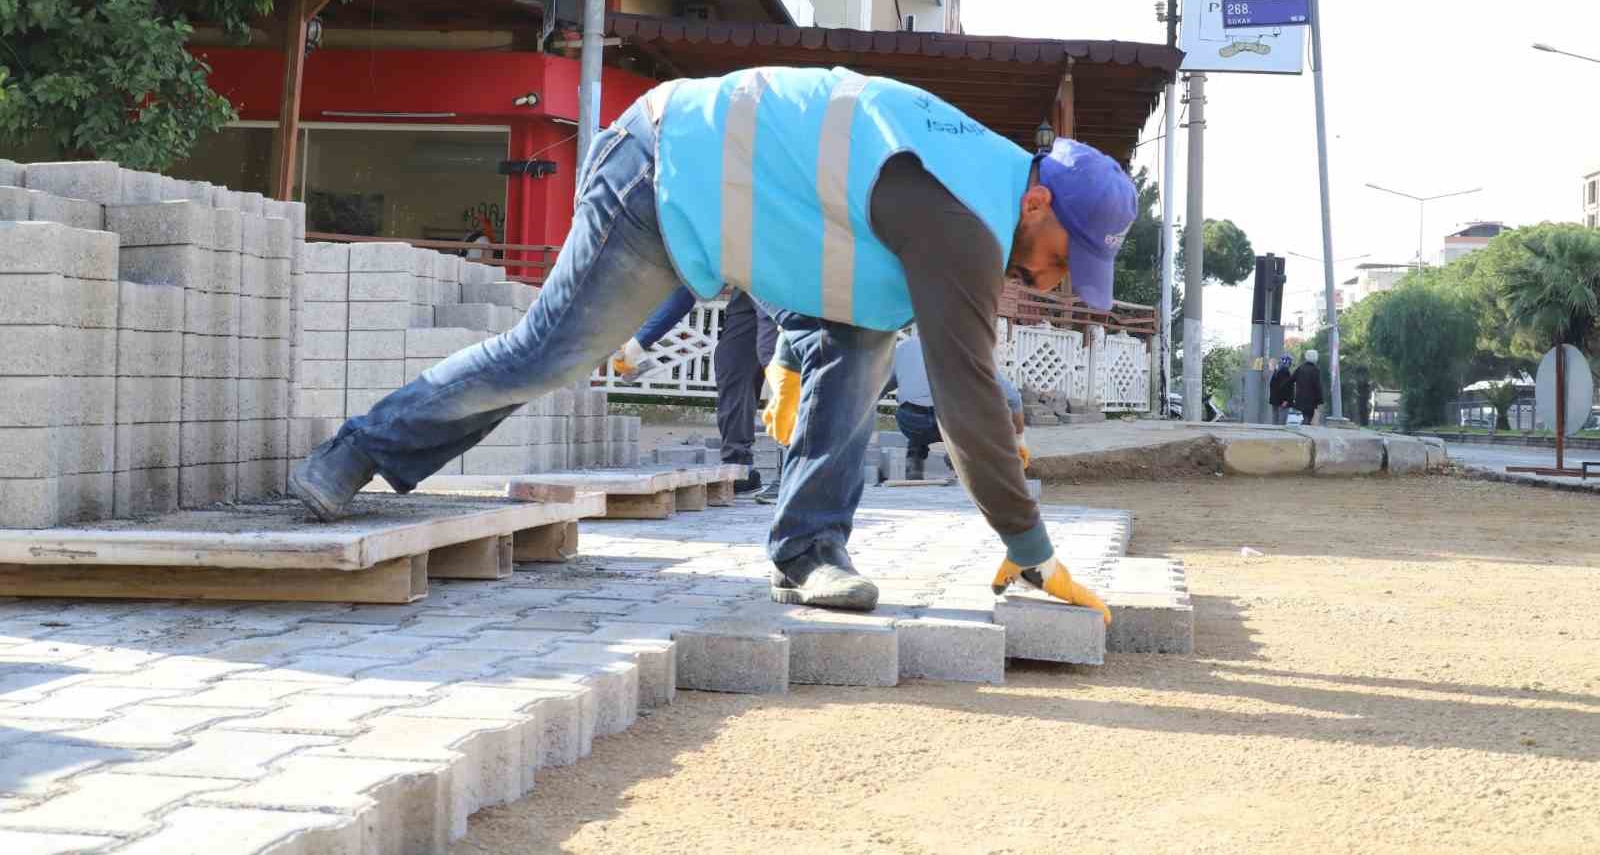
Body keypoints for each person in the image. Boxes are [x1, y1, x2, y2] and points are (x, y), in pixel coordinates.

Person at [289, 66, 1136, 622]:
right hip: (660, 172)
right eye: (1066, 259)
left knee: (865, 343)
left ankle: (809, 552)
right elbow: (964, 396)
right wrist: (1029, 547)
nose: (1058, 283)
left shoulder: (965, 189)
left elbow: (826, 238)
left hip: (716, 205)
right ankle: (356, 450)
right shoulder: (963, 218)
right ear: (1037, 206)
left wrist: (788, 353)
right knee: (547, 355)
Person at [610, 287, 777, 495]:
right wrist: (638, 344)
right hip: (748, 285)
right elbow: (688, 290)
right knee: (732, 361)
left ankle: (797, 471)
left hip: (781, 278)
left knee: (776, 358)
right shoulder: (717, 256)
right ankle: (739, 468)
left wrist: (641, 341)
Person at [885, 333, 1028, 480]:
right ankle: (959, 457)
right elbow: (1012, 397)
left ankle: (914, 460)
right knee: (982, 408)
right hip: (950, 424)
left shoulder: (903, 348)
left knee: (915, 405)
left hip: (911, 424)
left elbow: (878, 388)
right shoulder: (965, 347)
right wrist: (1019, 439)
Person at [1293, 348, 1324, 426]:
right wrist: (1320, 400)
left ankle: (1304, 426)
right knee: (1308, 417)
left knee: (1306, 416)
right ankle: (1305, 428)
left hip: (1300, 397)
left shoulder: (1300, 368)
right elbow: (1317, 386)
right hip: (1311, 399)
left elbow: (1291, 380)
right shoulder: (1315, 369)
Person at [1269, 353, 1295, 426]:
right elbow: (1285, 386)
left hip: (1275, 401)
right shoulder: (1285, 371)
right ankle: (1279, 437)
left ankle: (1273, 437)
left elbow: (1272, 385)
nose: (1290, 364)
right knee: (1281, 424)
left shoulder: (1276, 371)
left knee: (1275, 422)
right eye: (1290, 362)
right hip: (1282, 402)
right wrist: (1286, 400)